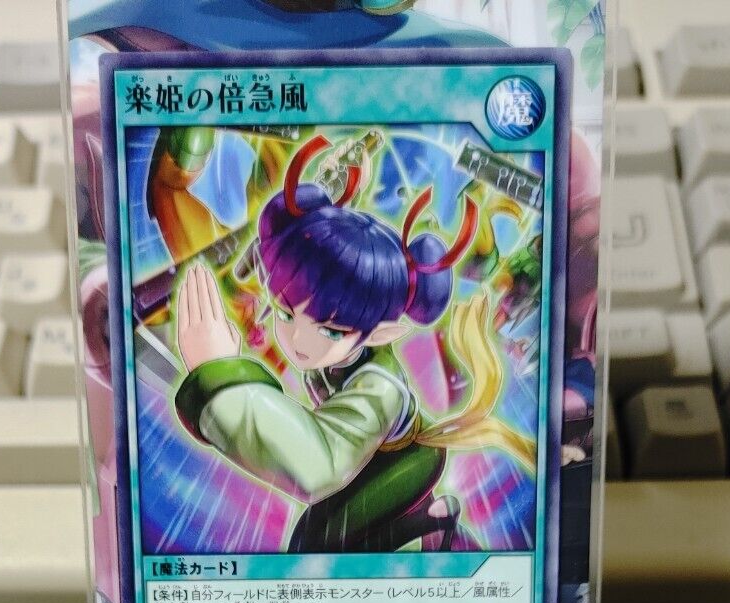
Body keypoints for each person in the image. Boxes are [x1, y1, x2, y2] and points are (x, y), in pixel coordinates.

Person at [174, 135, 534, 554]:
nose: (297, 340)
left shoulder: (380, 389)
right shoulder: (346, 353)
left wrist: (221, 378)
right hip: (365, 457)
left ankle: (435, 529)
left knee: (317, 543)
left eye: (330, 330)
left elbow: (316, 466)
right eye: (286, 313)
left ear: (382, 333)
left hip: (399, 467)